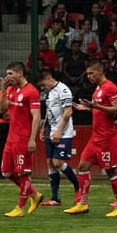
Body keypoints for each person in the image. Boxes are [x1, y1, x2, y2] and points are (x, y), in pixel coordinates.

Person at [65, 61, 117, 217]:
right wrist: (87, 108)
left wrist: (96, 106)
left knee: (111, 171)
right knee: (82, 166)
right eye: (87, 74)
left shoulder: (110, 87)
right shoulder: (98, 88)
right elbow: (99, 110)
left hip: (107, 138)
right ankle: (83, 203)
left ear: (100, 72)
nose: (88, 76)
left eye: (91, 73)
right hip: (95, 137)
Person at [0, 61, 43, 217]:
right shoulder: (11, 90)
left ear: (20, 73)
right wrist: (3, 90)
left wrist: (32, 139)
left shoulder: (31, 91)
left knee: (23, 173)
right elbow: (2, 109)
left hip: (23, 139)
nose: (8, 77)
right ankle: (34, 194)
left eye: (10, 74)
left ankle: (20, 208)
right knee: (6, 172)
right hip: (11, 138)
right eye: (7, 74)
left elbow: (36, 117)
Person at [39, 69, 79, 206]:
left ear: (49, 78)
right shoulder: (49, 92)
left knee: (57, 162)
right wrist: (44, 126)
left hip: (64, 132)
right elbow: (49, 110)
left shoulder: (63, 90)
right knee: (50, 163)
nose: (42, 88)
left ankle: (78, 186)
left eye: (43, 84)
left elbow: (68, 112)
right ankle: (55, 198)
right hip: (51, 130)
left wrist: (59, 131)